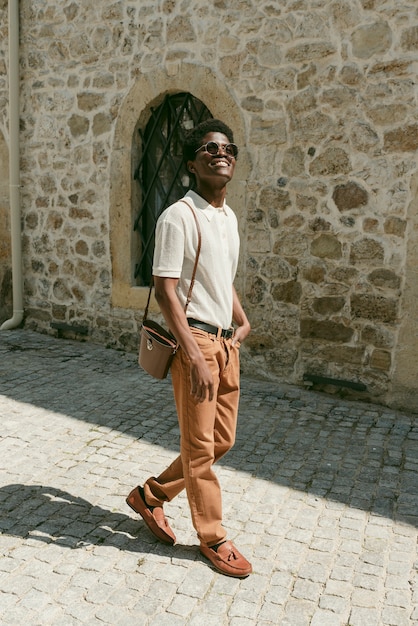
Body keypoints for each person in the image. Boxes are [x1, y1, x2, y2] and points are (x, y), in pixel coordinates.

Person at [126, 119, 252, 578]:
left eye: (227, 147)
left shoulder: (228, 216)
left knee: (222, 440)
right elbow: (165, 289)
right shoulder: (178, 215)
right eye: (209, 148)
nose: (221, 153)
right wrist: (194, 354)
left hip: (225, 341)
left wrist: (241, 319)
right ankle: (213, 537)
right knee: (200, 447)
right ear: (191, 163)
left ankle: (150, 495)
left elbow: (223, 278)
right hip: (195, 340)